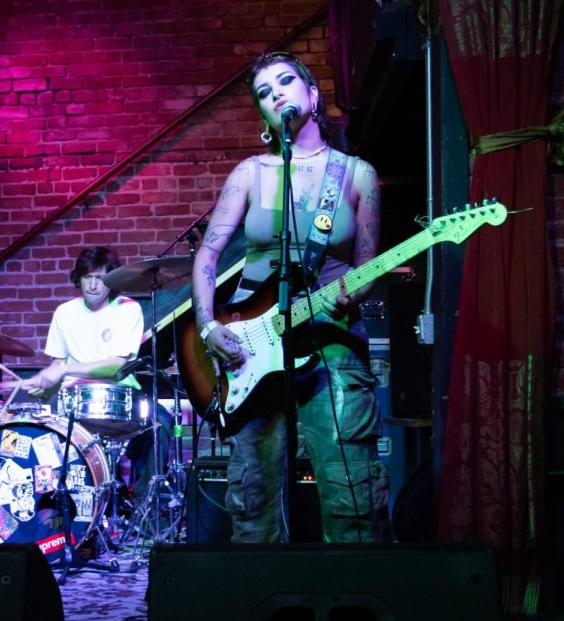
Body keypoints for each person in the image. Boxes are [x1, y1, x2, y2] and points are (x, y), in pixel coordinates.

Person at [190, 51, 391, 544]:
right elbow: (207, 256)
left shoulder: (356, 174)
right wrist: (208, 326)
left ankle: (355, 610)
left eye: (285, 82)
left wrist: (357, 289)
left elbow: (367, 264)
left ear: (312, 94)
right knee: (253, 503)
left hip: (331, 339)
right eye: (264, 91)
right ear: (262, 112)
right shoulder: (249, 173)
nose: (276, 93)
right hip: (253, 348)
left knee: (352, 498)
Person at [22, 247, 167, 513]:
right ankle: (67, 510)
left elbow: (115, 366)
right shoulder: (64, 313)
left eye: (100, 277)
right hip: (75, 401)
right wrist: (44, 387)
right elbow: (57, 367)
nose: (92, 284)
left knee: (162, 424)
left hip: (122, 396)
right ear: (78, 278)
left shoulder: (128, 309)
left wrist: (64, 369)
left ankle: (144, 507)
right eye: (87, 277)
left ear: (113, 280)